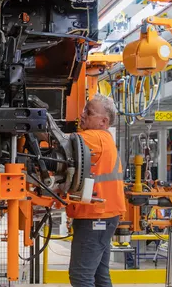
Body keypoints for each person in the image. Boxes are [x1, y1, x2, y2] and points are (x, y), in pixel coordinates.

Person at [66, 94, 126, 287]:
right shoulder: (104, 139)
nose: (82, 115)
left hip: (96, 217)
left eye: (88, 112)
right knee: (100, 276)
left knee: (81, 277)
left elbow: (63, 143)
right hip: (104, 216)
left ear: (103, 121)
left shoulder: (94, 137)